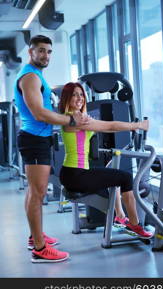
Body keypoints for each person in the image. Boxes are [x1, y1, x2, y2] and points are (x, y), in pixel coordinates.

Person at [14, 35, 90, 263]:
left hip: (38, 138)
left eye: (48, 51)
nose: (45, 55)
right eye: (41, 51)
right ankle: (39, 248)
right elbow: (38, 113)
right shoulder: (29, 77)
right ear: (31, 52)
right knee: (38, 194)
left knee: (33, 191)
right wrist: (70, 121)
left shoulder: (36, 76)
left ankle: (34, 237)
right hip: (35, 139)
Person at [58, 82, 153, 239]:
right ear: (67, 98)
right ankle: (135, 225)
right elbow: (109, 126)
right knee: (125, 177)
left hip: (74, 173)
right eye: (74, 94)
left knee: (112, 175)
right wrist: (138, 125)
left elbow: (111, 127)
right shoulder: (74, 119)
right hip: (75, 175)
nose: (79, 98)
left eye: (81, 94)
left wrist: (131, 128)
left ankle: (120, 216)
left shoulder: (75, 117)